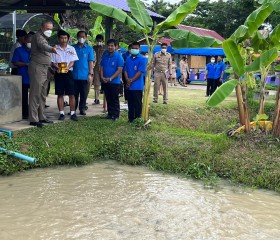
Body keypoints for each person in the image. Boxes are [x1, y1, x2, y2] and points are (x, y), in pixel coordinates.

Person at [28, 20, 58, 128]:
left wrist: (52, 65)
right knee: (35, 93)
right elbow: (43, 46)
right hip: (37, 67)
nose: (49, 31)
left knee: (42, 94)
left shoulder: (45, 37)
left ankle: (42, 117)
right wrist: (52, 49)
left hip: (46, 68)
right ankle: (33, 118)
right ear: (42, 27)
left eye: (51, 29)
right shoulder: (38, 36)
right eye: (47, 28)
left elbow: (45, 54)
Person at [51, 30, 79, 121]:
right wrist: (56, 67)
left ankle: (73, 113)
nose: (64, 40)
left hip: (68, 73)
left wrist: (68, 67)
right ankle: (61, 113)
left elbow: (73, 61)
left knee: (71, 93)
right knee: (60, 94)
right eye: (62, 38)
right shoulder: (54, 49)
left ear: (68, 39)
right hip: (59, 73)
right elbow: (52, 62)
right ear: (59, 38)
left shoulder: (71, 49)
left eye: (65, 38)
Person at [100, 39, 124, 121]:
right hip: (105, 81)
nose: (110, 47)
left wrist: (110, 78)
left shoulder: (119, 56)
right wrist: (102, 76)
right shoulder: (105, 55)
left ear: (116, 46)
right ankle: (110, 114)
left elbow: (119, 70)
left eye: (112, 46)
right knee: (108, 98)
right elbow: (101, 67)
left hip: (114, 82)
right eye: (109, 45)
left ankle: (116, 115)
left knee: (114, 99)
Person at [72, 31, 95, 115]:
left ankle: (82, 109)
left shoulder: (89, 49)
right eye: (80, 36)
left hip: (84, 75)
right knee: (74, 94)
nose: (81, 38)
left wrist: (90, 74)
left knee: (84, 94)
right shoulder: (72, 48)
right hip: (73, 75)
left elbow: (90, 62)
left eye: (83, 36)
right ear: (77, 37)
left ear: (86, 38)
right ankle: (73, 109)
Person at [11, 33, 33, 119]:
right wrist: (25, 64)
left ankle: (34, 112)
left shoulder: (35, 51)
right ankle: (25, 113)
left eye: (32, 42)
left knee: (34, 96)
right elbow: (15, 62)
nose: (30, 43)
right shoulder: (18, 50)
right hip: (23, 76)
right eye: (29, 41)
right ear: (25, 40)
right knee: (24, 96)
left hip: (34, 77)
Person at [124, 42, 146, 122]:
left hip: (137, 86)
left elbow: (140, 72)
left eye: (136, 48)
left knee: (137, 103)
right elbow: (125, 70)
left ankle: (137, 119)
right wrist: (127, 79)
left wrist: (131, 80)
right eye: (133, 48)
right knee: (130, 103)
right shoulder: (128, 58)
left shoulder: (143, 59)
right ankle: (130, 119)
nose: (134, 50)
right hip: (129, 85)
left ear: (139, 49)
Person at [92, 34, 106, 105]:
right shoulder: (94, 48)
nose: (98, 42)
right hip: (96, 68)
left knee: (105, 83)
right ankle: (96, 98)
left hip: (104, 68)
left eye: (100, 41)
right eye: (97, 41)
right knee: (96, 84)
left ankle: (105, 102)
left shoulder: (105, 48)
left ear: (102, 41)